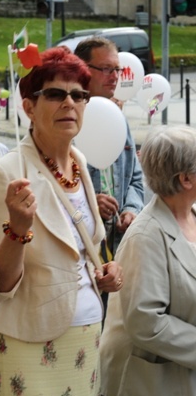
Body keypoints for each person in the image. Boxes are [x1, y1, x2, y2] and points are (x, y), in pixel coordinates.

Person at [0, 47, 123, 396]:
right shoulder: (6, 173)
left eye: (79, 95)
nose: (69, 103)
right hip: (26, 339)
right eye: (55, 94)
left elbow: (81, 246)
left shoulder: (80, 161)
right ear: (29, 107)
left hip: (86, 336)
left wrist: (103, 270)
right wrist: (18, 230)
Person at [100, 126, 196, 396]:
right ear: (186, 179)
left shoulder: (191, 215)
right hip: (146, 394)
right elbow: (145, 321)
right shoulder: (146, 236)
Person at [74, 37, 144, 261]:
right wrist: (89, 201)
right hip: (80, 248)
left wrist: (131, 209)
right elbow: (47, 185)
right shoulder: (64, 120)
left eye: (117, 69)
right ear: (83, 70)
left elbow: (134, 177)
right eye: (106, 69)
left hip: (118, 247)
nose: (115, 77)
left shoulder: (118, 118)